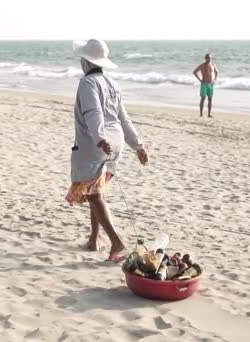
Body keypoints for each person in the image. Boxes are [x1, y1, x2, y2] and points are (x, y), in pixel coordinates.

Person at [66, 39, 148, 261]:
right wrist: (137, 145)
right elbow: (123, 117)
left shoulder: (88, 83)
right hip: (117, 142)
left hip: (97, 144)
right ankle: (94, 240)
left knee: (94, 196)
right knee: (96, 193)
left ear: (85, 61)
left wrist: (100, 138)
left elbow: (94, 112)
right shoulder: (112, 83)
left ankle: (117, 242)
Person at [193, 53, 219, 117]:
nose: (209, 59)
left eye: (210, 58)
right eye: (207, 58)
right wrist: (200, 80)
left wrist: (214, 80)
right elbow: (195, 72)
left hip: (210, 84)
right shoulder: (202, 65)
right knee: (203, 98)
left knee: (210, 99)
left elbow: (217, 72)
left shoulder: (213, 65)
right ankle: (201, 114)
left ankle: (209, 114)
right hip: (204, 84)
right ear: (205, 58)